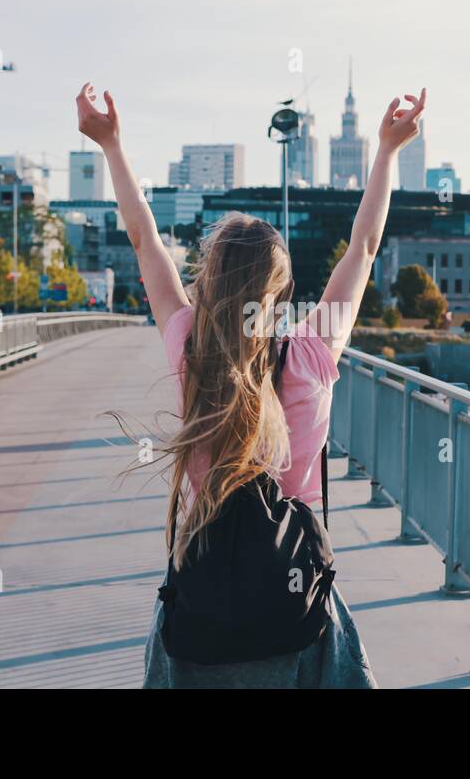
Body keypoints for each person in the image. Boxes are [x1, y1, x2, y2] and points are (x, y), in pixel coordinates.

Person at [76, 81, 425, 688]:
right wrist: (388, 151)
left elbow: (143, 239)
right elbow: (364, 249)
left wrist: (110, 144)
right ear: (280, 291)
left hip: (203, 605)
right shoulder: (312, 356)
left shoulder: (191, 348)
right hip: (292, 610)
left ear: (209, 281)